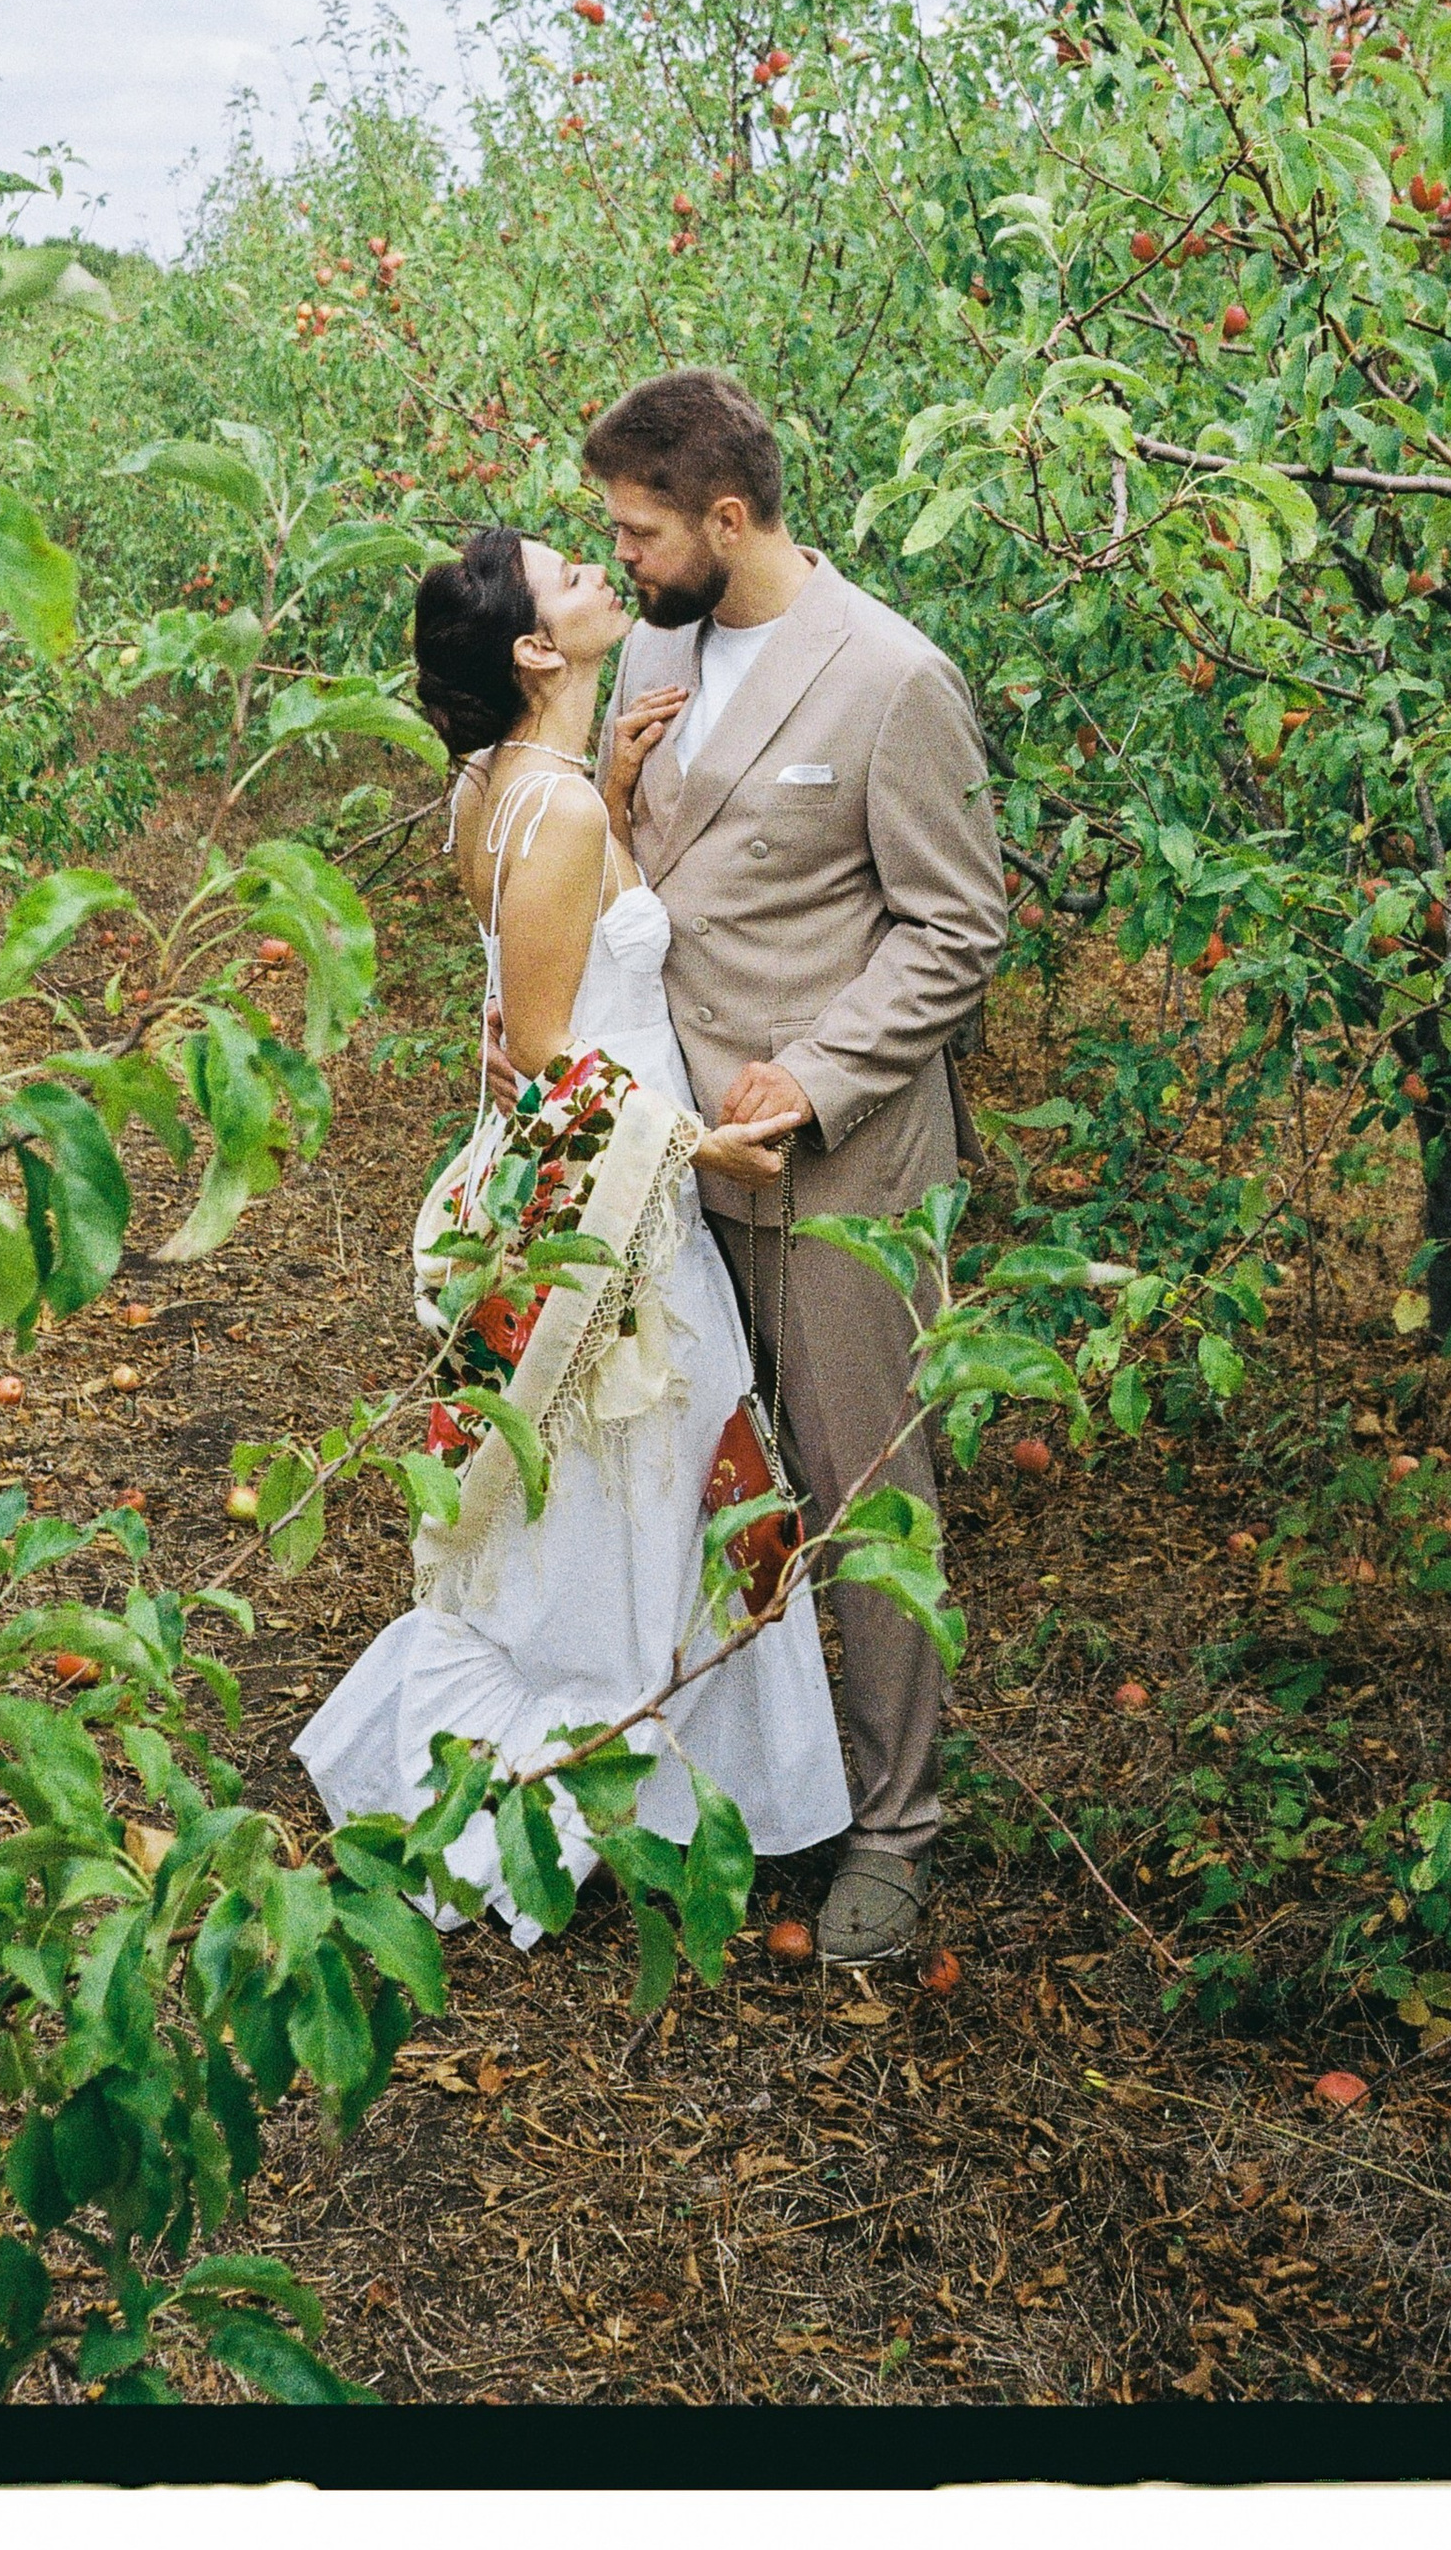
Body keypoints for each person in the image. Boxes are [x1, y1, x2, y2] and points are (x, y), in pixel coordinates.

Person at [294, 527, 850, 1933]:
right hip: (611, 1182)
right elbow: (547, 1048)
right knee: (668, 1455)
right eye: (575, 579)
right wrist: (696, 1140)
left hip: (572, 1168)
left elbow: (526, 962)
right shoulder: (555, 815)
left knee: (619, 1473)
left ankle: (628, 1759)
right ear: (541, 648)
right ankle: (629, 1786)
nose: (608, 579)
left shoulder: (498, 786)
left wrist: (598, 791)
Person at [571, 368, 1008, 1966]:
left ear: (728, 520)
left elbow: (959, 924)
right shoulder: (663, 644)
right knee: (704, 1485)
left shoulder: (895, 678)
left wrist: (815, 1082)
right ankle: (757, 1789)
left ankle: (896, 1829)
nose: (619, 558)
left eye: (638, 530)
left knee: (866, 1498)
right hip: (683, 1170)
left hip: (838, 1173)